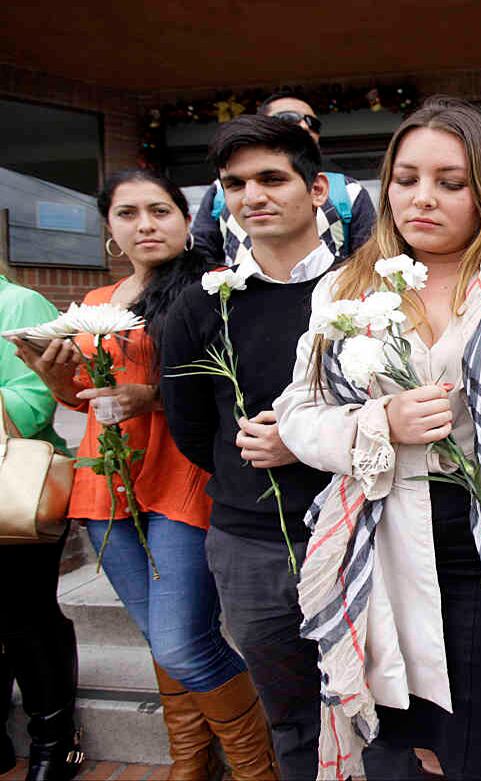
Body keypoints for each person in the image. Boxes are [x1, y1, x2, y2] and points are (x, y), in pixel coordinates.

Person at [273, 96, 481, 780]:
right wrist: (379, 424)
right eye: (406, 179)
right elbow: (298, 411)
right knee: (399, 749)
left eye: (450, 182)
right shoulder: (347, 285)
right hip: (382, 552)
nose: (422, 198)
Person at [12, 170, 278, 779]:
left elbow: (232, 389)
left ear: (186, 223)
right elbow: (82, 399)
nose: (145, 224)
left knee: (183, 639)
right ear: (110, 229)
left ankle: (256, 766)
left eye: (159, 211)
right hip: (106, 481)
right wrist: (54, 375)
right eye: (128, 214)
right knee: (162, 640)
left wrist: (150, 397)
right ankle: (189, 758)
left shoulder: (213, 291)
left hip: (182, 476)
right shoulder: (96, 306)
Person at [159, 117, 336, 779]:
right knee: (290, 720)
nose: (251, 195)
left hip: (362, 531)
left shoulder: (368, 294)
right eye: (234, 184)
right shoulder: (202, 306)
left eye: (271, 177)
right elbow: (193, 432)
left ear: (316, 188)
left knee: (382, 713)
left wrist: (308, 445)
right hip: (252, 545)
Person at [0, 268, 78, 780]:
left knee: (24, 616)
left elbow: (32, 405)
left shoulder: (21, 303)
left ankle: (53, 743)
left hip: (14, 489)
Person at [189, 89, 376, 267]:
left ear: (318, 189)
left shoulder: (349, 190)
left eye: (312, 122)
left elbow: (369, 259)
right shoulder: (217, 192)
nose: (303, 125)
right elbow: (201, 256)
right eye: (289, 118)